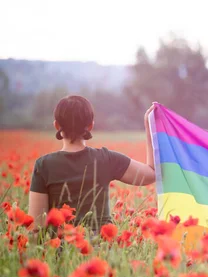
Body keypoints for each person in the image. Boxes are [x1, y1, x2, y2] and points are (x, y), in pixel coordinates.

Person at [28, 96, 156, 232]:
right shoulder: (107, 159)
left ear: (57, 126)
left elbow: (36, 228)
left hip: (62, 250)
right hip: (101, 249)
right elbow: (151, 173)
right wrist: (150, 129)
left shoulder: (43, 165)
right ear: (90, 126)